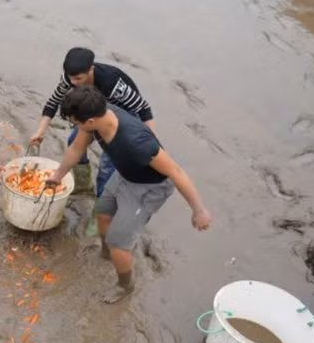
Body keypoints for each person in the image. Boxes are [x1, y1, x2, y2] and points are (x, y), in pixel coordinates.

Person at [45, 86, 211, 303]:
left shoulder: (136, 142)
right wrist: (58, 175)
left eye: (76, 123)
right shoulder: (96, 117)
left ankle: (125, 285)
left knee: (118, 241)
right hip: (124, 174)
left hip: (149, 187)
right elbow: (76, 149)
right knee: (102, 212)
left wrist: (199, 210)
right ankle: (108, 253)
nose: (76, 127)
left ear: (90, 121)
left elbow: (175, 171)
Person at [30, 47, 156, 197]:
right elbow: (53, 102)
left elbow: (143, 108)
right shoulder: (70, 78)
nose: (73, 83)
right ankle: (82, 185)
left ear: (91, 69)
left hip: (121, 116)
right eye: (71, 78)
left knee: (108, 165)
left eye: (79, 79)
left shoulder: (112, 84)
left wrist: (151, 144)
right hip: (91, 109)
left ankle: (101, 203)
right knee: (73, 142)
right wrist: (40, 131)